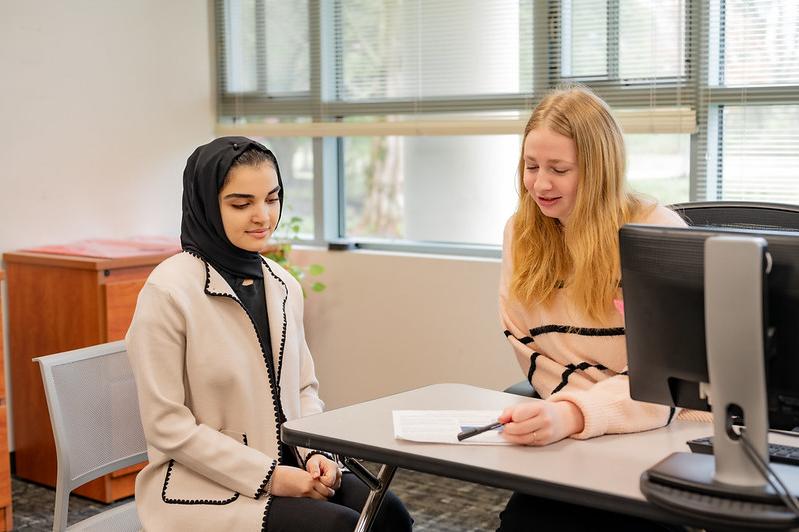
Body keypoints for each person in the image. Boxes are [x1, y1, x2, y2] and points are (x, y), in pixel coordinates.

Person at [126, 136, 412, 531]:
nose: (263, 215)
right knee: (339, 527)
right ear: (207, 205)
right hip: (204, 485)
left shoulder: (283, 285)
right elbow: (167, 426)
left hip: (292, 464)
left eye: (272, 199)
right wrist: (273, 477)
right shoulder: (169, 293)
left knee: (389, 515)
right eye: (241, 204)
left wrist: (318, 455)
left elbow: (303, 390)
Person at [496, 87, 703, 531]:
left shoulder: (655, 233)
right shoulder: (522, 235)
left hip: (668, 434)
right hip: (575, 431)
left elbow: (673, 382)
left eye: (559, 169)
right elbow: (531, 349)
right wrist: (574, 410)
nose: (540, 184)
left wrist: (579, 412)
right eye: (531, 166)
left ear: (599, 170)